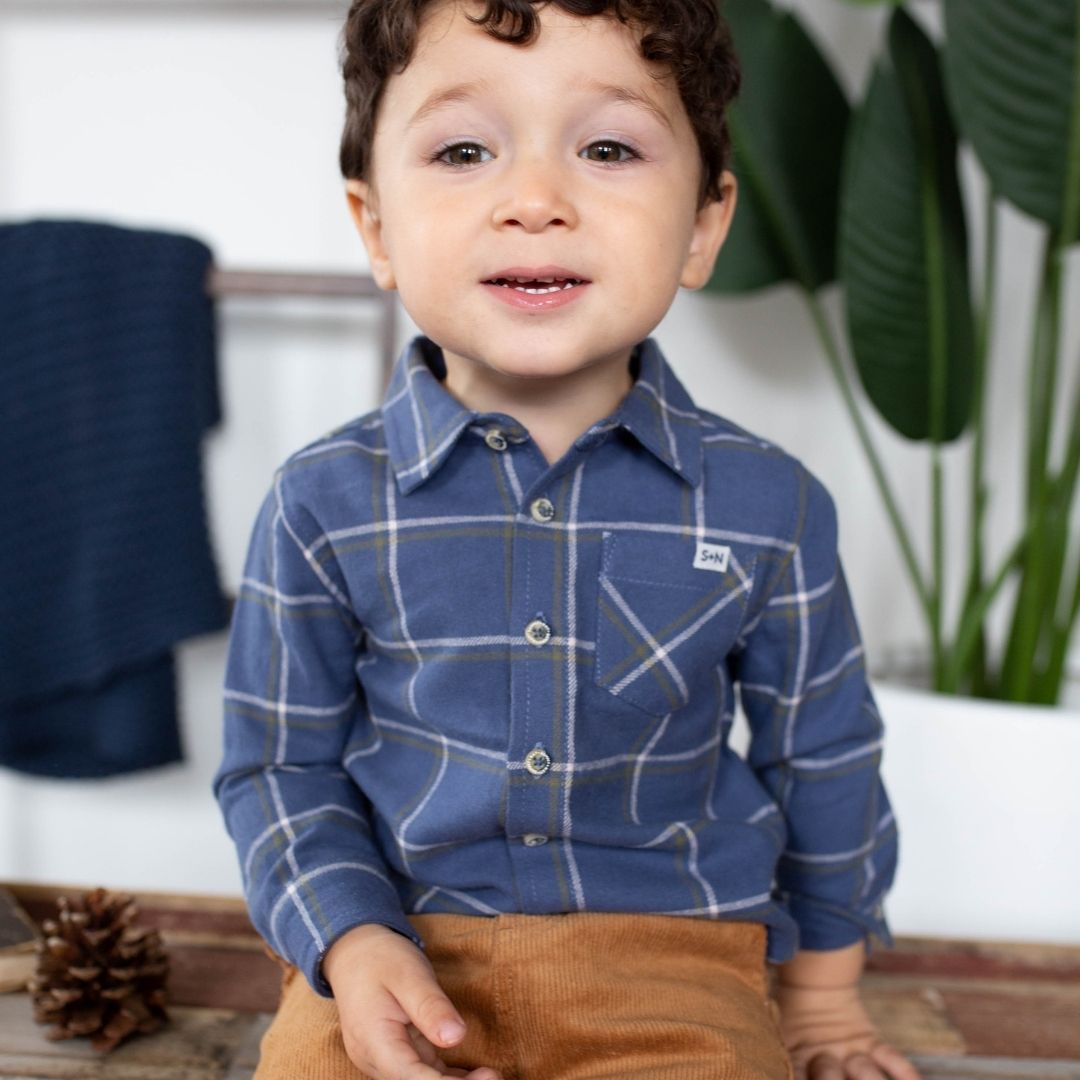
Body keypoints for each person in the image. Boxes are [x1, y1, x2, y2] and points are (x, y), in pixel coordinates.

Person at [214, 2, 920, 1078]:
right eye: (462, 150)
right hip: (395, 957)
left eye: (607, 147)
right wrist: (351, 942)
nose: (535, 201)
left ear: (702, 226)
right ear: (376, 229)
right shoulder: (321, 502)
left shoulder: (769, 504)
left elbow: (822, 757)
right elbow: (278, 766)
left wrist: (823, 1002)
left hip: (678, 969)